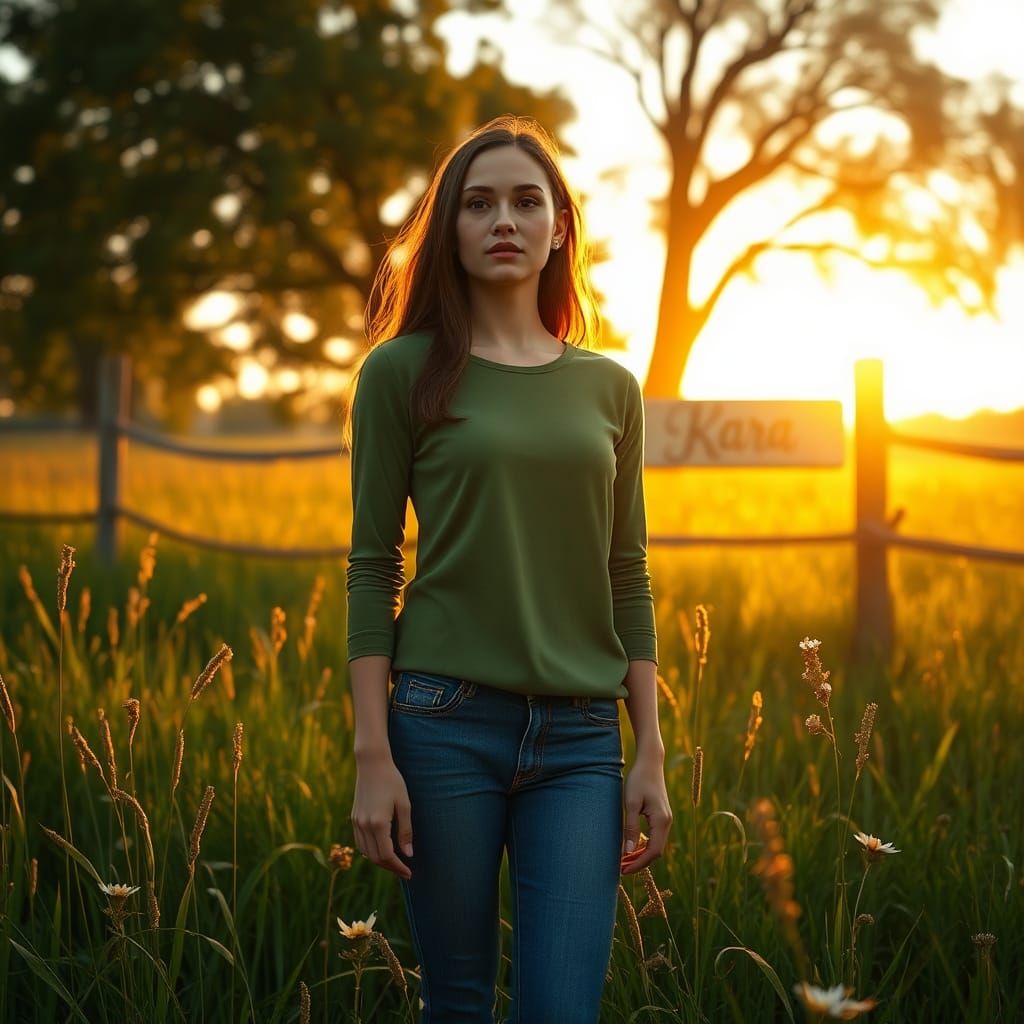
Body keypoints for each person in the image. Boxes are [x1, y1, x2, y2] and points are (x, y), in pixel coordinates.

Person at [342, 114, 673, 1024]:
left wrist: (648, 749)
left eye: (528, 202)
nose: (504, 220)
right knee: (456, 1002)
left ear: (559, 227)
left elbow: (627, 573)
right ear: (448, 227)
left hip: (579, 743)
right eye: (478, 202)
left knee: (561, 1010)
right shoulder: (400, 374)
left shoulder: (610, 387)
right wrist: (373, 755)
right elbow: (373, 568)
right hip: (441, 724)